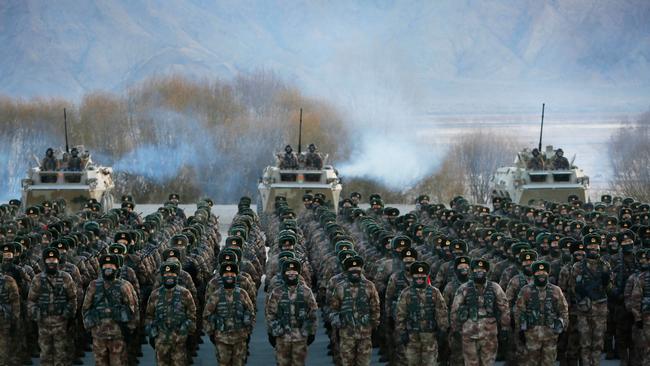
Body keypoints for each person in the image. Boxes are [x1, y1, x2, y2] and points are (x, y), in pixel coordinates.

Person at [450, 258, 510, 366]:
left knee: (488, 363)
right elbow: (455, 310)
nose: (479, 272)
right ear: (472, 271)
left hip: (489, 334)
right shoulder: (464, 288)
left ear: (486, 271)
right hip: (469, 334)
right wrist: (456, 330)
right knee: (471, 363)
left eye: (482, 270)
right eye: (476, 270)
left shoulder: (495, 287)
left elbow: (504, 308)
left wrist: (505, 328)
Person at [82, 254, 139, 366]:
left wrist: (129, 330)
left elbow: (133, 309)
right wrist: (89, 328)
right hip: (99, 335)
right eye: (105, 265)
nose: (108, 268)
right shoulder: (94, 285)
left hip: (118, 335)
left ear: (117, 268)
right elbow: (86, 308)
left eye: (111, 266)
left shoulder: (124, 285)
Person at [27, 248, 78, 366]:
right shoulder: (38, 279)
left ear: (58, 260)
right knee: (45, 355)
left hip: (61, 322)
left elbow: (72, 298)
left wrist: (68, 315)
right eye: (49, 259)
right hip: (43, 322)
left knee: (61, 355)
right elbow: (31, 300)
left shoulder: (66, 277)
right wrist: (36, 315)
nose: (51, 262)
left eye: (54, 259)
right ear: (44, 261)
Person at [514, 260, 569, 366]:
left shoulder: (556, 290)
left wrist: (563, 328)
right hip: (531, 335)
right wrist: (520, 330)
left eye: (544, 272)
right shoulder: (526, 290)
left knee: (548, 363)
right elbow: (519, 311)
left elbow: (563, 310)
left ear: (548, 274)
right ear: (534, 274)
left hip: (551, 335)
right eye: (538, 272)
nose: (541, 275)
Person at [329, 256, 380, 366]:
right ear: (347, 271)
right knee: (347, 363)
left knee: (364, 362)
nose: (354, 271)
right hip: (346, 334)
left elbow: (375, 308)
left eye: (357, 268)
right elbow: (333, 310)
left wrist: (374, 325)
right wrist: (337, 324)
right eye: (351, 269)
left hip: (365, 333)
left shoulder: (369, 286)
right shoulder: (340, 287)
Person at [569, 234, 611, 366]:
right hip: (584, 310)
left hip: (600, 309)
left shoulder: (605, 265)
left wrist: (606, 282)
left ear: (599, 248)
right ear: (586, 248)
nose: (593, 248)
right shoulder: (578, 266)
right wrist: (579, 291)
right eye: (590, 246)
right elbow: (572, 287)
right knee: (585, 343)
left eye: (595, 246)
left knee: (598, 344)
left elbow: (610, 289)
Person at [266, 258, 318, 366]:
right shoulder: (277, 292)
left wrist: (310, 332)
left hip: (300, 338)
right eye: (288, 271)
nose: (291, 274)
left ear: (298, 273)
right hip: (282, 338)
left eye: (294, 271)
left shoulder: (306, 292)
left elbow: (313, 314)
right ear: (284, 273)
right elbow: (271, 314)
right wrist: (273, 331)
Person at [395, 261, 449, 366]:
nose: (419, 277)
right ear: (412, 276)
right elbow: (400, 314)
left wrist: (442, 330)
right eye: (416, 275)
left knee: (430, 363)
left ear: (426, 275)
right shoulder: (406, 293)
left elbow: (442, 312)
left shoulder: (435, 292)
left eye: (422, 275)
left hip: (430, 336)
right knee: (412, 362)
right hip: (412, 337)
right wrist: (402, 333)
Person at [203, 262, 255, 366]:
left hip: (240, 338)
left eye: (232, 274)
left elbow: (250, 312)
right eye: (226, 274)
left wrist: (248, 331)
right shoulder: (216, 295)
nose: (229, 276)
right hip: (222, 339)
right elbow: (206, 315)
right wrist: (211, 333)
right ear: (222, 276)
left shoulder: (242, 293)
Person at [146, 261, 197, 366]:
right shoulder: (155, 294)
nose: (169, 277)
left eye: (172, 274)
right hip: (161, 341)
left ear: (177, 276)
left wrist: (185, 331)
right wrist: (152, 333)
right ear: (162, 276)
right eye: (166, 274)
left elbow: (192, 316)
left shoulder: (185, 293)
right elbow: (148, 316)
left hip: (179, 341)